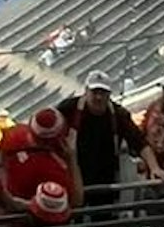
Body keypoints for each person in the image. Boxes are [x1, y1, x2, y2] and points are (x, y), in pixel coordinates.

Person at [61, 74, 142, 204]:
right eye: (94, 92)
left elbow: (139, 141)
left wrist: (155, 167)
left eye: (103, 93)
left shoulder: (118, 114)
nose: (98, 97)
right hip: (74, 175)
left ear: (109, 95)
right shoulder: (69, 108)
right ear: (86, 91)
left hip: (106, 179)